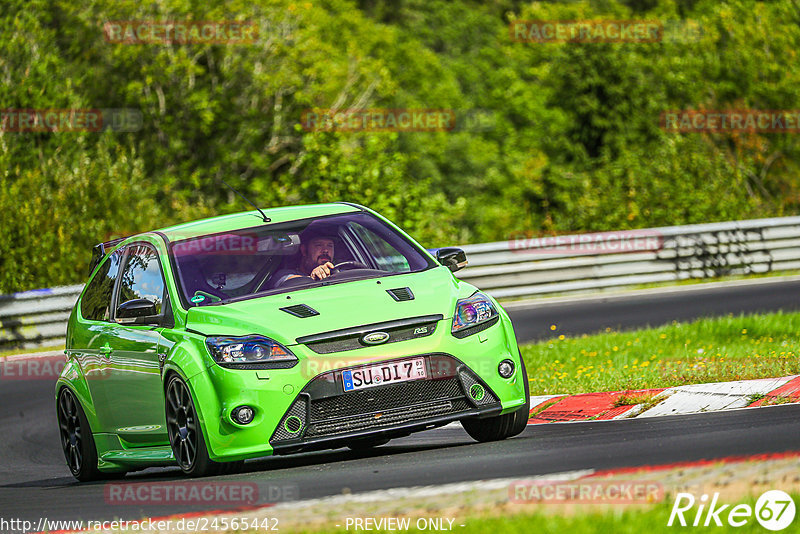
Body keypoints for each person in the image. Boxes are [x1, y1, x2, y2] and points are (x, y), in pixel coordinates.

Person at [271, 233, 337, 287]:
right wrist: (313, 278)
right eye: (318, 245)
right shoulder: (283, 274)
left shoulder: (340, 271)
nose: (325, 250)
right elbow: (293, 282)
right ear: (304, 250)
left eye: (330, 246)